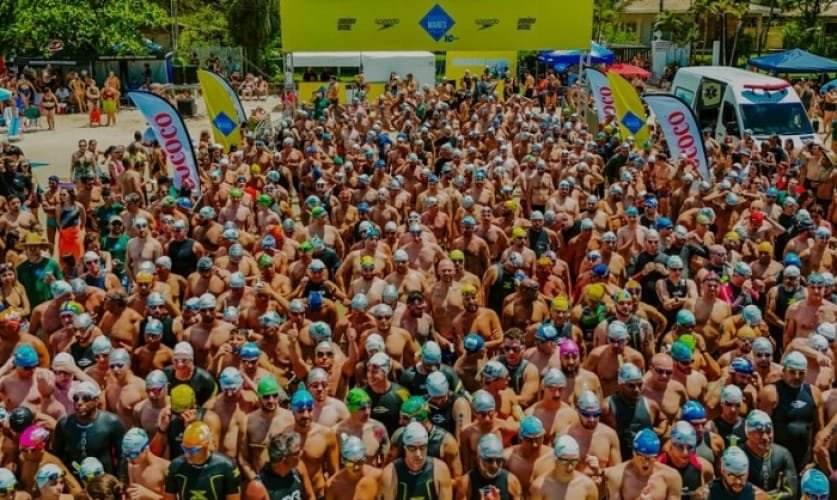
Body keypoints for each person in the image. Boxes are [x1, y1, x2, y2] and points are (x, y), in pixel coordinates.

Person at [52, 381, 125, 476]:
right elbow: (57, 455)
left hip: (103, 479)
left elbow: (122, 455)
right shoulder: (64, 424)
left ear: (96, 401)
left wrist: (120, 480)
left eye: (85, 398)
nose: (79, 403)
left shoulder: (111, 422)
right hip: (75, 480)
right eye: (76, 398)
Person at [163, 421, 241, 500]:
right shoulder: (175, 466)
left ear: (206, 446)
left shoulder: (226, 467)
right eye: (184, 448)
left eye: (192, 450)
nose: (187, 455)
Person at [380, 422, 452, 500]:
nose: (418, 454)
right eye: (412, 448)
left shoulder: (440, 470)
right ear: (405, 447)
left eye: (422, 448)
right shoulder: (390, 473)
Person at [244, 430, 316, 500]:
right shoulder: (257, 488)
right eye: (297, 453)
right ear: (283, 460)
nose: (302, 453)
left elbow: (310, 496)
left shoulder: (299, 467)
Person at [531, 435, 598, 500]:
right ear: (555, 458)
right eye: (565, 461)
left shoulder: (588, 486)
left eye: (573, 461)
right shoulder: (540, 487)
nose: (570, 467)